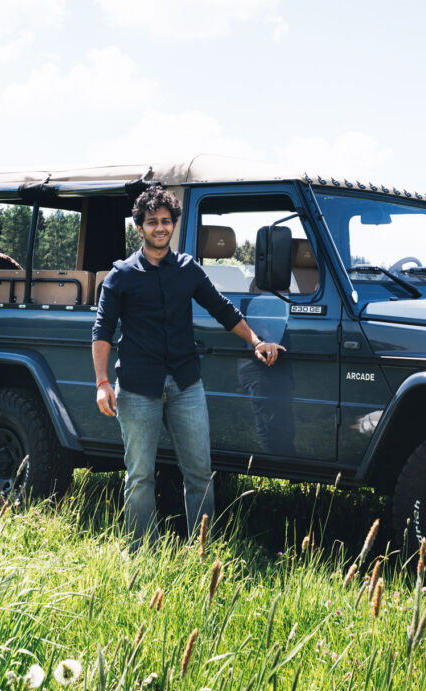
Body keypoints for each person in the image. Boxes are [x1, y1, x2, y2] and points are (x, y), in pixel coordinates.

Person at [91, 186, 284, 551]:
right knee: (140, 476)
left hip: (185, 383)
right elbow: (102, 331)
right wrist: (102, 382)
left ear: (174, 225)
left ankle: (201, 551)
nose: (160, 228)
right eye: (152, 222)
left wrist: (256, 341)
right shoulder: (121, 276)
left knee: (199, 474)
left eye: (166, 221)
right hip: (136, 386)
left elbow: (222, 308)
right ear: (140, 228)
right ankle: (139, 553)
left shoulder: (188, 269)